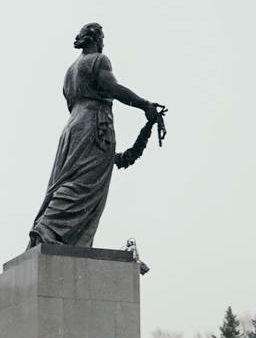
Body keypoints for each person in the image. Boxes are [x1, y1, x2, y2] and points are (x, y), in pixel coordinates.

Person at [28, 22, 164, 248]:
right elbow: (114, 88)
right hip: (94, 125)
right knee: (84, 183)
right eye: (102, 37)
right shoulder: (98, 61)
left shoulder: (70, 71)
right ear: (95, 38)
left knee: (70, 178)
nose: (103, 42)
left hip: (73, 128)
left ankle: (54, 233)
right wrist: (144, 105)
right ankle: (48, 228)